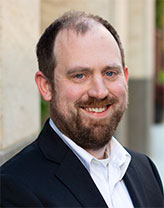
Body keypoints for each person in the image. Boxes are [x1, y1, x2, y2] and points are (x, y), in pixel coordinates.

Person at [1, 11, 163, 208]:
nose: (99, 91)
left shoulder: (145, 170)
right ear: (46, 86)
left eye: (110, 73)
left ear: (125, 77)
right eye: (80, 75)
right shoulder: (14, 188)